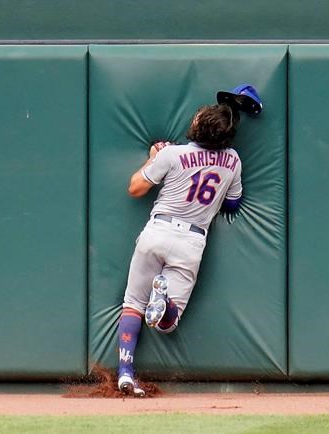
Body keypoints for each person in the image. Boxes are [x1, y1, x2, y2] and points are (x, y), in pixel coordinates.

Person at [116, 85, 262, 397]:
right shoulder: (233, 161)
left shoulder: (172, 153)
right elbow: (233, 204)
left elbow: (135, 188)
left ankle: (125, 373)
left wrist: (152, 157)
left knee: (132, 305)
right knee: (167, 323)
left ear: (196, 128)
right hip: (191, 240)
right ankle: (164, 302)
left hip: (157, 231)